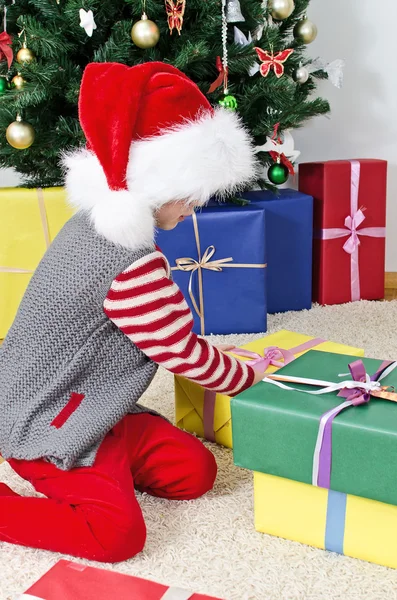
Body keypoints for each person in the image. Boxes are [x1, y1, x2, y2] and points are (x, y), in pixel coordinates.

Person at [0, 61, 266, 563]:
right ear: (155, 185)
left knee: (195, 474)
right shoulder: (130, 263)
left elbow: (163, 335)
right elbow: (180, 351)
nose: (192, 210)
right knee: (116, 537)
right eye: (189, 197)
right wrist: (248, 376)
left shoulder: (94, 227)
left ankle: (114, 455)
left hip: (98, 409)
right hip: (50, 424)